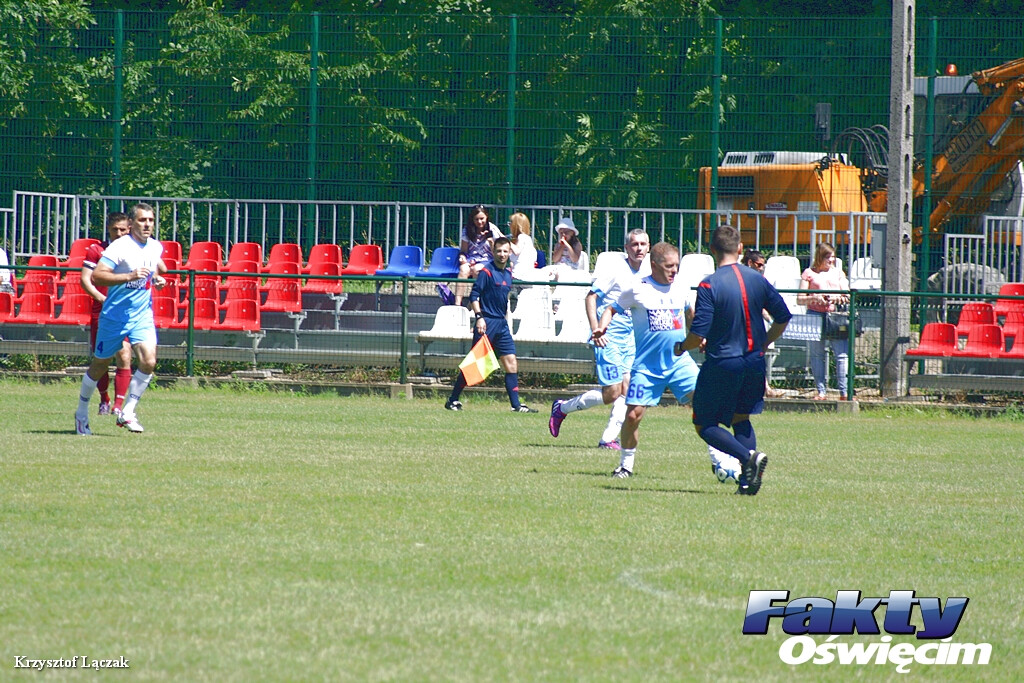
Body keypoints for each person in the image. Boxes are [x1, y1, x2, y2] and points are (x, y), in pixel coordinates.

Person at [676, 224, 792, 495]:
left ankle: (748, 458)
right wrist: (765, 342)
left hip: (723, 363)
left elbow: (698, 333)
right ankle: (747, 482)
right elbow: (783, 316)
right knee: (741, 418)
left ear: (712, 250)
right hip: (754, 363)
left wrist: (681, 347)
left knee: (704, 424)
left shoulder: (709, 284)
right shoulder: (757, 279)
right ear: (740, 248)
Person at [591, 242, 699, 478]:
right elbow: (610, 309)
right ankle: (625, 466)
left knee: (706, 405)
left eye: (677, 266)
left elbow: (691, 315)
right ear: (654, 265)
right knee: (632, 416)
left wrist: (700, 337)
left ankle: (722, 461)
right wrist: (601, 327)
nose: (674, 271)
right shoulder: (637, 289)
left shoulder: (681, 287)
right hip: (647, 367)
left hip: (680, 362)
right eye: (669, 266)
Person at [548, 229, 651, 450]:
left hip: (630, 339)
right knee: (612, 393)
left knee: (627, 390)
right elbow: (591, 297)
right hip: (607, 336)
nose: (639, 248)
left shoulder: (648, 273)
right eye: (634, 244)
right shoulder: (616, 271)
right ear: (627, 248)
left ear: (648, 247)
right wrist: (597, 329)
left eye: (643, 244)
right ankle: (562, 408)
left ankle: (608, 439)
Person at [74, 203, 166, 435]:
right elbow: (97, 276)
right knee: (100, 365)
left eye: (151, 220)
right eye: (142, 220)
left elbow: (151, 271)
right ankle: (81, 413)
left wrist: (156, 279)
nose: (147, 224)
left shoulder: (155, 246)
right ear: (132, 223)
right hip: (114, 316)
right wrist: (129, 276)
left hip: (142, 314)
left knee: (149, 361)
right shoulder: (120, 247)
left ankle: (128, 411)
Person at [445, 236, 537, 414]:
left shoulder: (508, 273)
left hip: (502, 325)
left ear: (509, 253)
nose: (502, 254)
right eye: (499, 251)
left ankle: (516, 405)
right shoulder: (486, 272)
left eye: (505, 251)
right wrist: (479, 317)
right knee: (475, 366)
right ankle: (452, 399)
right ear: (493, 252)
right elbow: (474, 296)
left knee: (511, 362)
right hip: (486, 324)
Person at [80, 212, 134, 416]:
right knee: (101, 358)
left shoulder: (136, 251)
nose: (119, 234)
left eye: (123, 230)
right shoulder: (97, 250)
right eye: (115, 230)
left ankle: (118, 406)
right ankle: (104, 399)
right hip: (101, 311)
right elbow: (85, 280)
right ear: (108, 230)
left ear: (129, 229)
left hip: (126, 312)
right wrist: (101, 298)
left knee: (125, 355)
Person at [797, 242, 850, 400]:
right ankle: (821, 391)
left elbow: (847, 294)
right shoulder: (809, 273)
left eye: (833, 257)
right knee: (817, 355)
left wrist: (839, 298)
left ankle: (844, 392)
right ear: (820, 257)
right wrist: (814, 298)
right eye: (828, 257)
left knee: (841, 355)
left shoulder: (839, 273)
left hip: (835, 316)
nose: (831, 260)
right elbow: (800, 299)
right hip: (815, 315)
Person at [454, 204, 503, 306]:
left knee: (477, 270)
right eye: (476, 219)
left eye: (482, 219)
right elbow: (464, 251)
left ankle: (475, 302)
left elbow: (497, 253)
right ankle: (457, 303)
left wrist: (491, 242)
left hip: (488, 260)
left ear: (486, 217)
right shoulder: (467, 230)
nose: (479, 222)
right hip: (471, 259)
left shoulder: (492, 229)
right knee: (463, 269)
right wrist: (462, 257)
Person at [507, 212, 549, 282]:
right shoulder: (526, 240)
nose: (509, 225)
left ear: (516, 225)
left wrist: (504, 240)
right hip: (522, 275)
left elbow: (517, 252)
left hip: (520, 276)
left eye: (510, 223)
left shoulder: (522, 237)